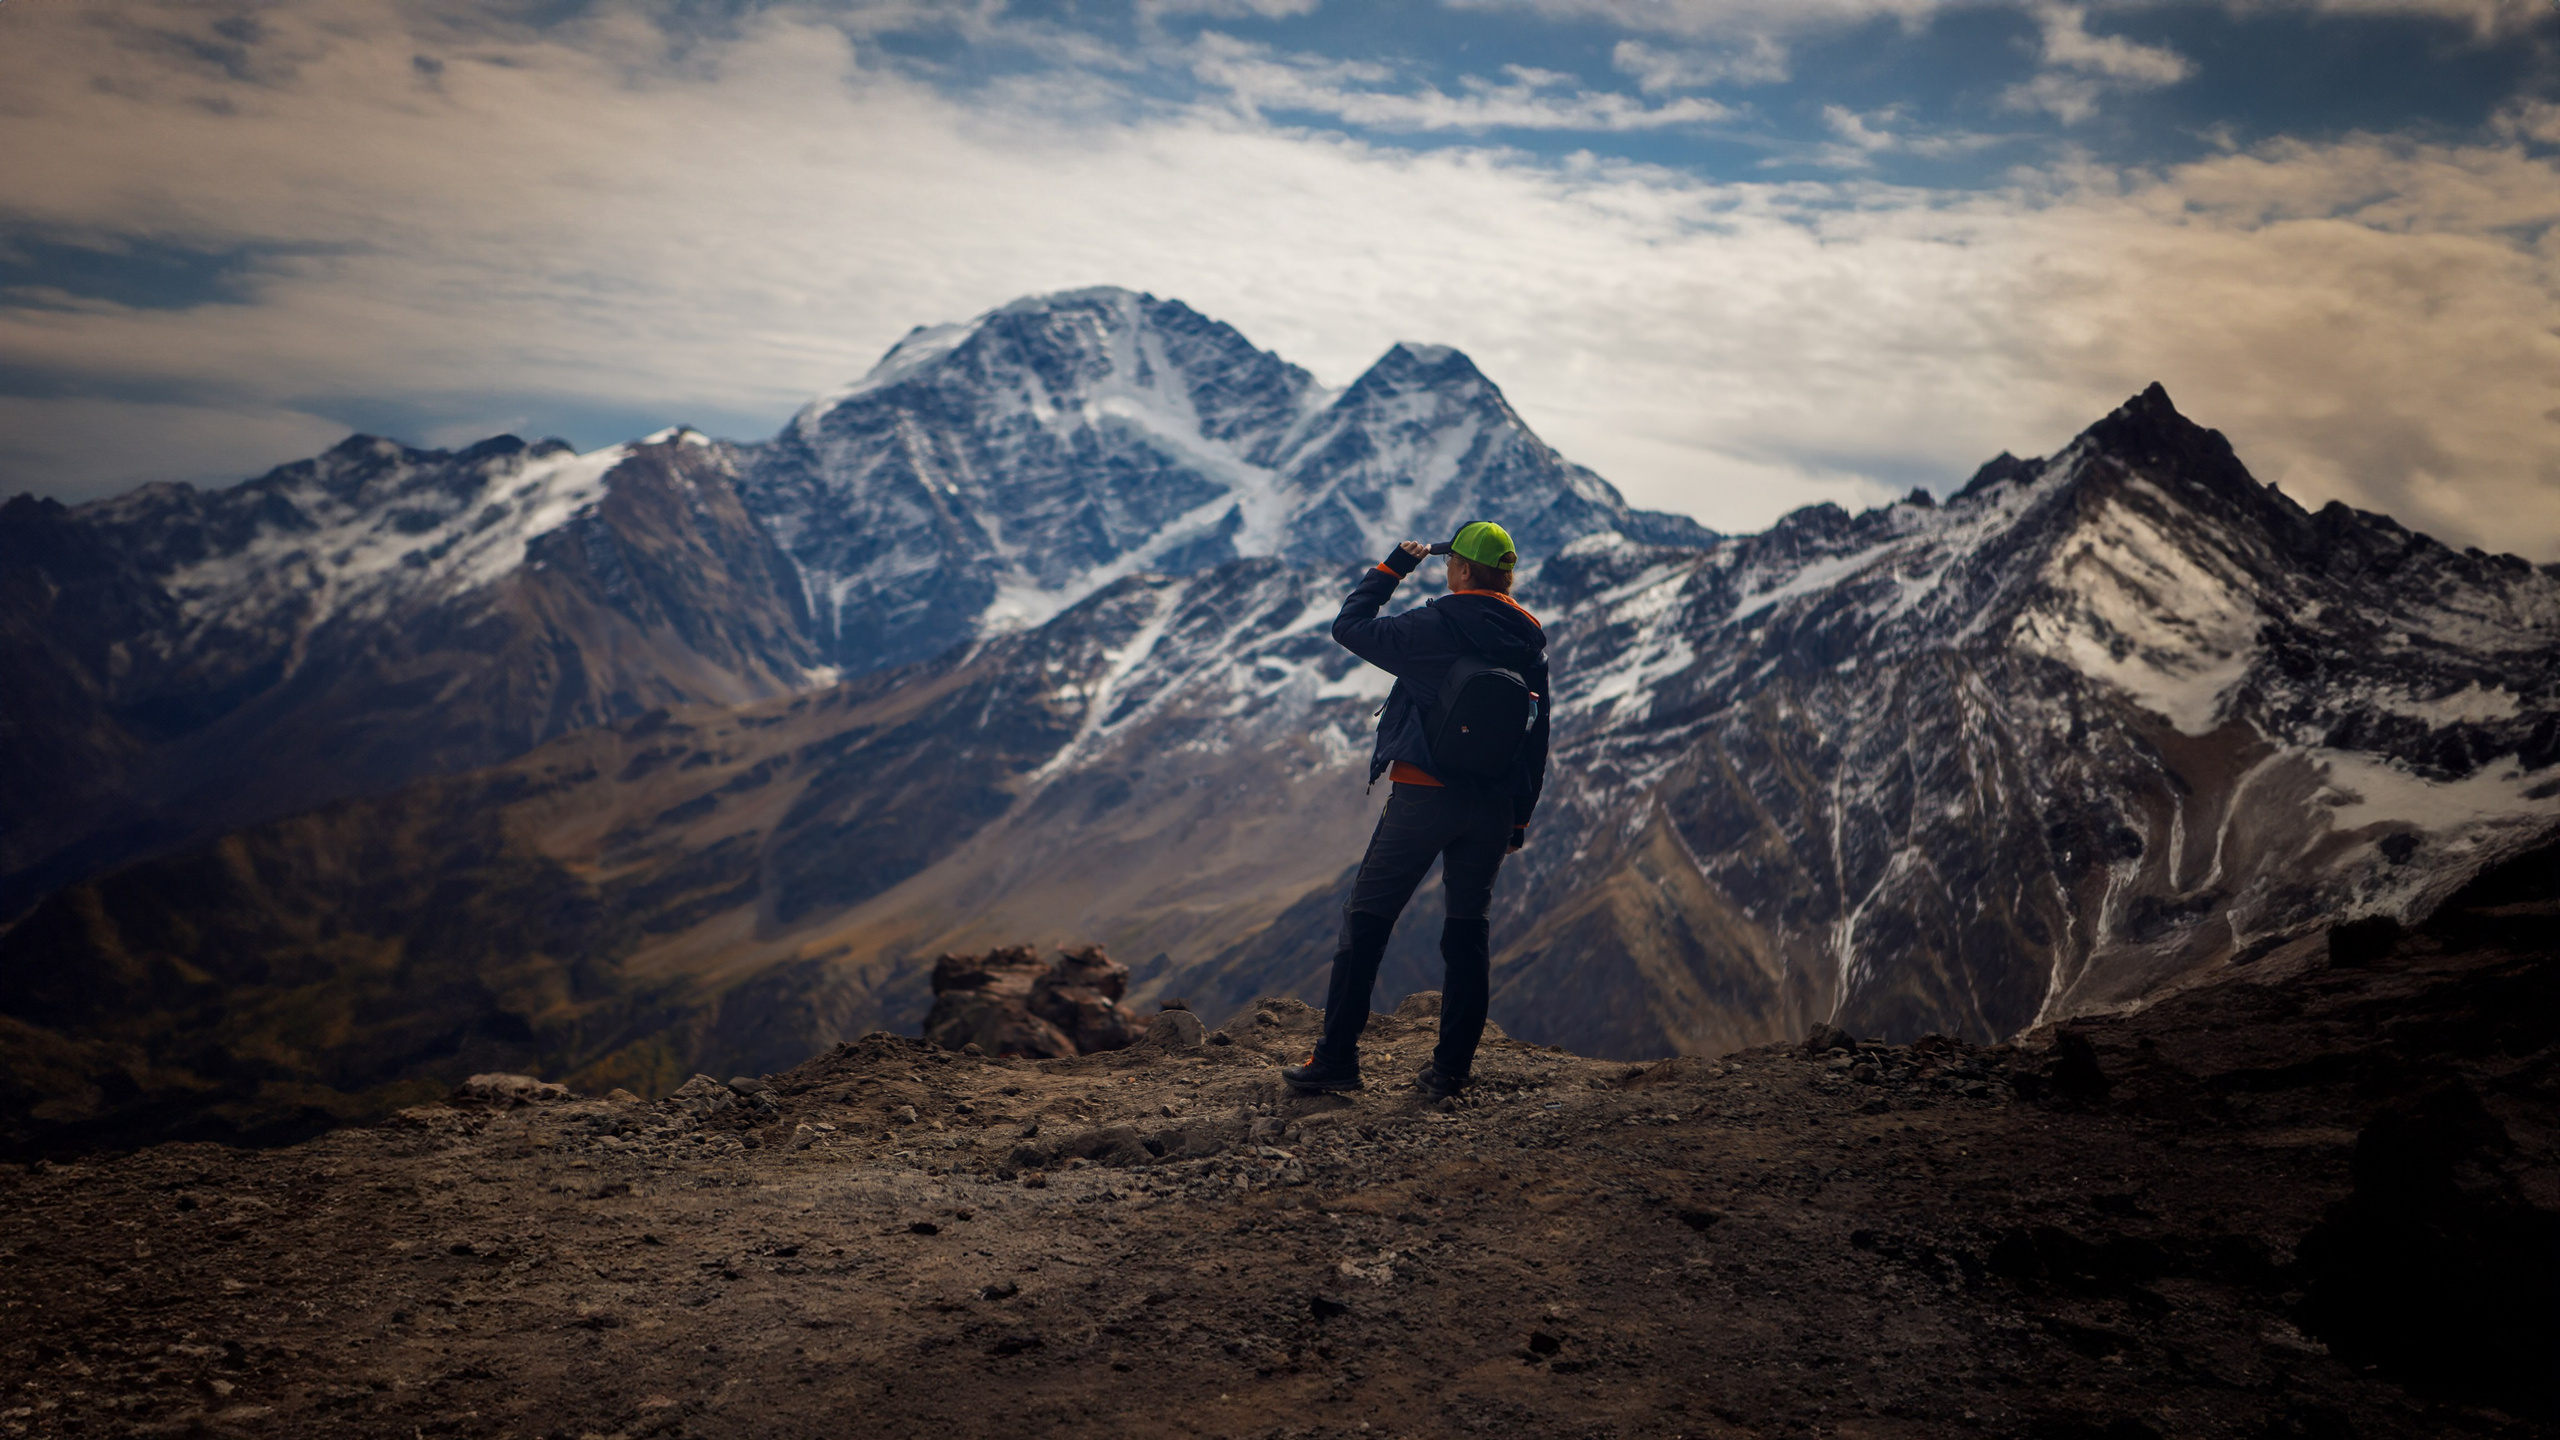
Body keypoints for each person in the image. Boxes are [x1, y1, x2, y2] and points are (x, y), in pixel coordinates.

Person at [1282, 521, 1551, 1099]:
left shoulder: (1436, 622)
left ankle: (1336, 1061)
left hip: (1424, 797)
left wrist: (1391, 569)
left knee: (1369, 921)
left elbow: (1349, 627)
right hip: (1493, 806)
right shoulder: (1529, 638)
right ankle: (1450, 1072)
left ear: (1459, 570)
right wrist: (1519, 819)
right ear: (1507, 575)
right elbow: (1537, 735)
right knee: (1467, 933)